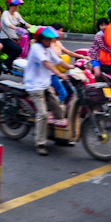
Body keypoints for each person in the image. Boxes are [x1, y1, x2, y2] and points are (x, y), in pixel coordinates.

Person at [25, 26, 67, 156]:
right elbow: (46, 63)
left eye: (51, 39)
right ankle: (40, 143)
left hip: (45, 84)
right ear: (41, 39)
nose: (51, 42)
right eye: (48, 39)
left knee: (59, 110)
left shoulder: (48, 49)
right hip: (35, 86)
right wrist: (59, 74)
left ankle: (56, 136)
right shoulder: (36, 48)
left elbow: (58, 61)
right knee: (43, 114)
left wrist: (72, 67)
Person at [48, 23, 88, 102]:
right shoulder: (49, 45)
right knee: (63, 93)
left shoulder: (58, 43)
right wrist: (69, 67)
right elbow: (54, 60)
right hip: (51, 73)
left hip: (58, 71)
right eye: (60, 31)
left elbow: (69, 52)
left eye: (62, 31)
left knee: (71, 91)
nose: (62, 33)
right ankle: (53, 108)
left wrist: (82, 57)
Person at [0, 0, 32, 70]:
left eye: (17, 6)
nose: (16, 7)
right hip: (6, 39)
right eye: (14, 5)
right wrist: (16, 28)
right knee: (18, 50)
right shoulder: (5, 13)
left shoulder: (16, 14)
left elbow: (24, 23)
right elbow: (7, 23)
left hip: (15, 39)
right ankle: (5, 64)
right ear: (9, 6)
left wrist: (35, 27)